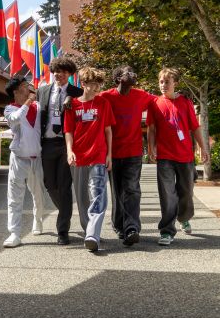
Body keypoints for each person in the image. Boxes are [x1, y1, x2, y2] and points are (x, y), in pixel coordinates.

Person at [148, 68, 209, 246]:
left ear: (175, 83)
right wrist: (151, 147)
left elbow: (194, 127)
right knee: (167, 194)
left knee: (186, 192)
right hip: (165, 156)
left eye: (167, 82)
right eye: (161, 82)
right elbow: (151, 129)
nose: (163, 85)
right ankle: (167, 230)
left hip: (185, 156)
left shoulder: (185, 102)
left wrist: (203, 148)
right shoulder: (155, 103)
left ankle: (184, 217)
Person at [99, 66, 155, 246]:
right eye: (127, 73)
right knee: (117, 191)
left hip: (133, 153)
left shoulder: (141, 95)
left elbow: (161, 101)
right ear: (118, 79)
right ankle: (119, 224)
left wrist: (179, 94)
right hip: (112, 153)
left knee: (131, 190)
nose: (133, 75)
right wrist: (70, 98)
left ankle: (131, 228)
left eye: (133, 71)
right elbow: (87, 100)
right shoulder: (106, 97)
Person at [64, 67, 115, 252]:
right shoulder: (72, 105)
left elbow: (108, 131)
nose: (96, 88)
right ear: (83, 84)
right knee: (82, 196)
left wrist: (109, 154)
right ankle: (89, 231)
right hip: (78, 157)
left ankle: (93, 233)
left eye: (98, 84)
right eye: (92, 84)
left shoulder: (103, 103)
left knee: (98, 194)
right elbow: (68, 131)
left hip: (98, 156)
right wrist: (69, 151)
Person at [37, 57, 84, 245]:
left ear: (69, 74)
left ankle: (62, 230)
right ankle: (65, 210)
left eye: (63, 72)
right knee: (49, 184)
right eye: (56, 71)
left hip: (67, 144)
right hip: (47, 143)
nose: (59, 75)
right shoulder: (42, 91)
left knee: (64, 186)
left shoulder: (77, 92)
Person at [2, 75, 45, 248]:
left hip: (37, 158)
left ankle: (38, 220)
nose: (29, 87)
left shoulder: (38, 106)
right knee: (15, 197)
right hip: (19, 159)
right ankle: (14, 233)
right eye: (25, 85)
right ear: (16, 90)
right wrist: (28, 102)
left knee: (39, 194)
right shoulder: (9, 109)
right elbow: (16, 119)